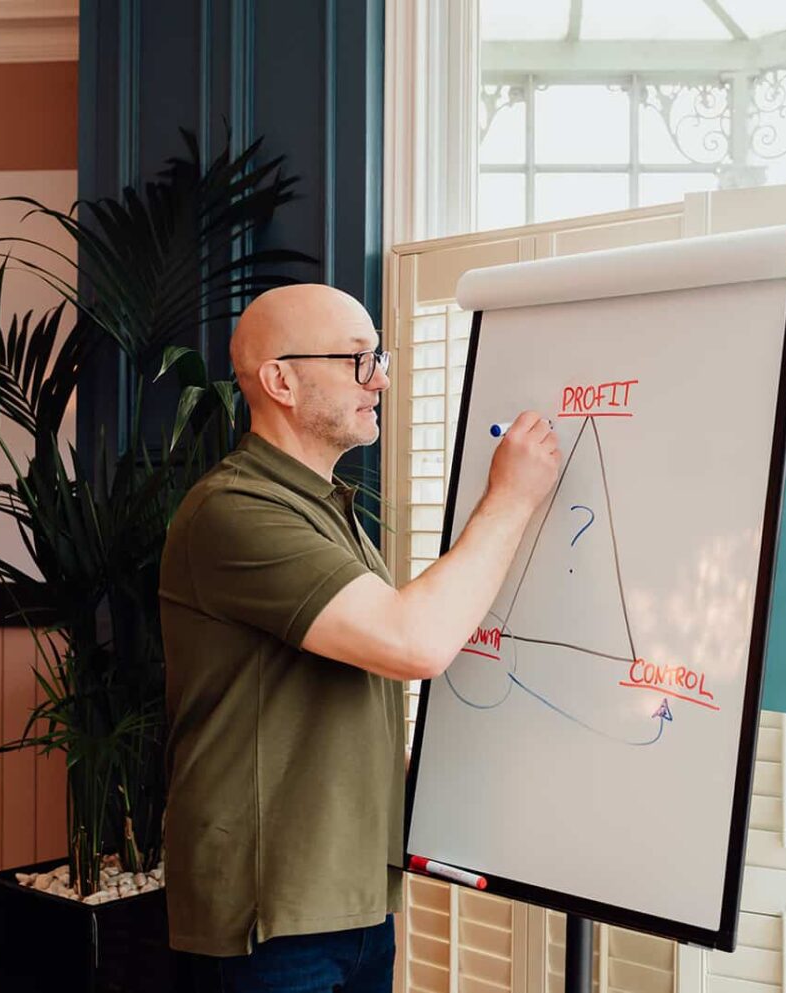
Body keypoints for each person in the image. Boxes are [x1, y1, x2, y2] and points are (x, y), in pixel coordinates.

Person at [159, 283, 560, 992]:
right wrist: (513, 496)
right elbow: (415, 643)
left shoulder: (324, 508)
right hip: (271, 921)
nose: (379, 378)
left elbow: (339, 689)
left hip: (352, 902)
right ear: (281, 380)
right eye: (356, 359)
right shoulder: (236, 509)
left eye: (377, 355)